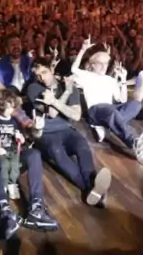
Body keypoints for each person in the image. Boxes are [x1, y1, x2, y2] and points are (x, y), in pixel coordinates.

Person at [0, 74, 59, 239]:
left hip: (11, 160)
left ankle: (36, 209)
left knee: (34, 154)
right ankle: (5, 211)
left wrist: (37, 128)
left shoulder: (10, 108)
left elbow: (31, 130)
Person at [26, 57, 112, 207]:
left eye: (44, 72)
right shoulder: (33, 88)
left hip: (66, 129)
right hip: (45, 132)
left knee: (82, 145)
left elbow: (76, 115)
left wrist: (59, 97)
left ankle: (92, 188)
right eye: (37, 75)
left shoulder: (70, 86)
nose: (41, 78)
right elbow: (52, 113)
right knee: (56, 151)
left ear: (52, 69)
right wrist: (65, 93)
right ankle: (90, 188)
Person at [71, 37, 143, 160]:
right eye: (100, 63)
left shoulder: (110, 80)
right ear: (92, 65)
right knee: (110, 110)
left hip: (110, 110)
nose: (104, 67)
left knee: (136, 104)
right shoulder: (86, 76)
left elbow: (122, 100)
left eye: (106, 63)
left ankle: (106, 128)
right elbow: (73, 69)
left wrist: (122, 80)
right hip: (95, 110)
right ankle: (133, 141)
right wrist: (82, 50)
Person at [0, 89, 25, 200]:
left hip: (13, 150)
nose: (11, 109)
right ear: (0, 106)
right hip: (0, 150)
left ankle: (12, 185)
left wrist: (20, 138)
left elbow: (21, 138)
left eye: (12, 106)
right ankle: (3, 187)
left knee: (14, 167)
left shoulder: (14, 121)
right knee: (4, 166)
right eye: (8, 107)